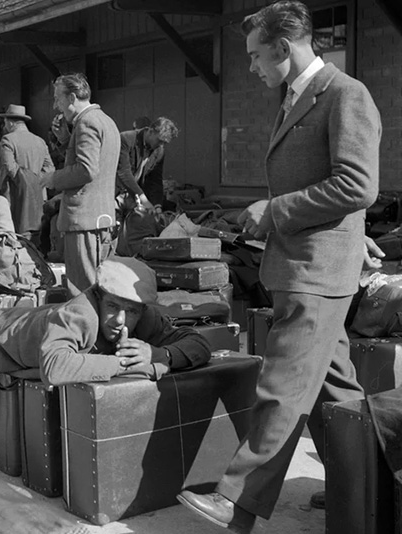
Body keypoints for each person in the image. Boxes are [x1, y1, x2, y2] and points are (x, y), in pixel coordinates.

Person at [176, 2, 382, 533]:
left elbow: (358, 183)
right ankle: (361, 488)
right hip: (309, 266)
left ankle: (238, 502)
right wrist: (351, 235)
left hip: (316, 274)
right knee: (335, 390)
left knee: (283, 385)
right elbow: (338, 187)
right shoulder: (297, 98)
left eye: (254, 56)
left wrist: (277, 209)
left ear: (283, 48)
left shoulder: (345, 94)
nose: (250, 67)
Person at [0, 256, 211, 441]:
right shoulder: (78, 314)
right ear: (99, 297)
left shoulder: (145, 316)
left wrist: (159, 355)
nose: (120, 320)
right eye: (113, 307)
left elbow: (198, 344)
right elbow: (57, 368)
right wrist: (131, 364)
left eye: (131, 311)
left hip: (33, 337)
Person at [42, 73, 120, 296]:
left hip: (85, 220)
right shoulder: (104, 120)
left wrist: (53, 178)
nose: (56, 106)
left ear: (73, 97)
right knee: (97, 287)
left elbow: (87, 169)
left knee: (82, 289)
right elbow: (95, 161)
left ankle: (87, 329)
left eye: (58, 98)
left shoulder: (87, 123)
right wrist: (66, 140)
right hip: (99, 217)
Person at [0, 104, 55, 242]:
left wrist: (26, 181)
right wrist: (36, 180)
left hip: (16, 196)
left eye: (5, 122)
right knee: (36, 236)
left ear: (10, 122)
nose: (4, 125)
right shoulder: (40, 141)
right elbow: (50, 168)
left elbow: (10, 168)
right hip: (39, 195)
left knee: (16, 236)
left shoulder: (8, 140)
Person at [117, 116, 179, 209]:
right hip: (115, 192)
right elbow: (124, 172)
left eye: (164, 143)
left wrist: (157, 205)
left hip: (135, 196)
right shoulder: (126, 139)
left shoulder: (159, 151)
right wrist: (143, 199)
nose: (161, 145)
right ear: (150, 131)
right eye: (160, 141)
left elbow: (155, 180)